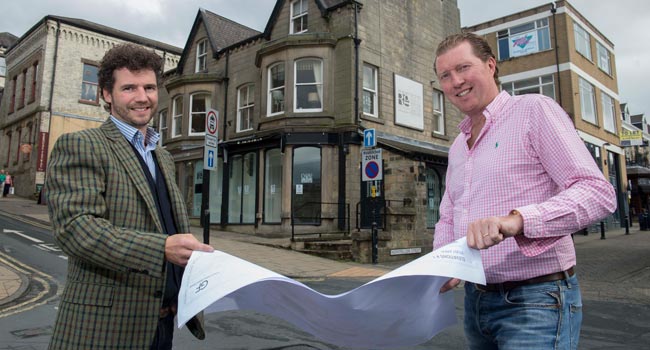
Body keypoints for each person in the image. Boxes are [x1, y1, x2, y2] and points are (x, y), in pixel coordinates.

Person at [433, 33, 616, 349]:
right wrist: (440, 265)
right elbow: (448, 215)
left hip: (537, 298)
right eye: (445, 76)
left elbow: (597, 192)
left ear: (491, 65)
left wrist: (515, 221)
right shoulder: (456, 147)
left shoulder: (534, 110)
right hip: (475, 301)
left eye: (464, 67)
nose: (455, 81)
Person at [45, 43, 214, 349]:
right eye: (129, 88)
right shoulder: (83, 145)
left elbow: (164, 223)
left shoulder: (162, 155)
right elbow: (77, 229)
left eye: (149, 87)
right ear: (107, 94)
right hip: (104, 330)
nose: (142, 97)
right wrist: (162, 248)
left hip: (161, 324)